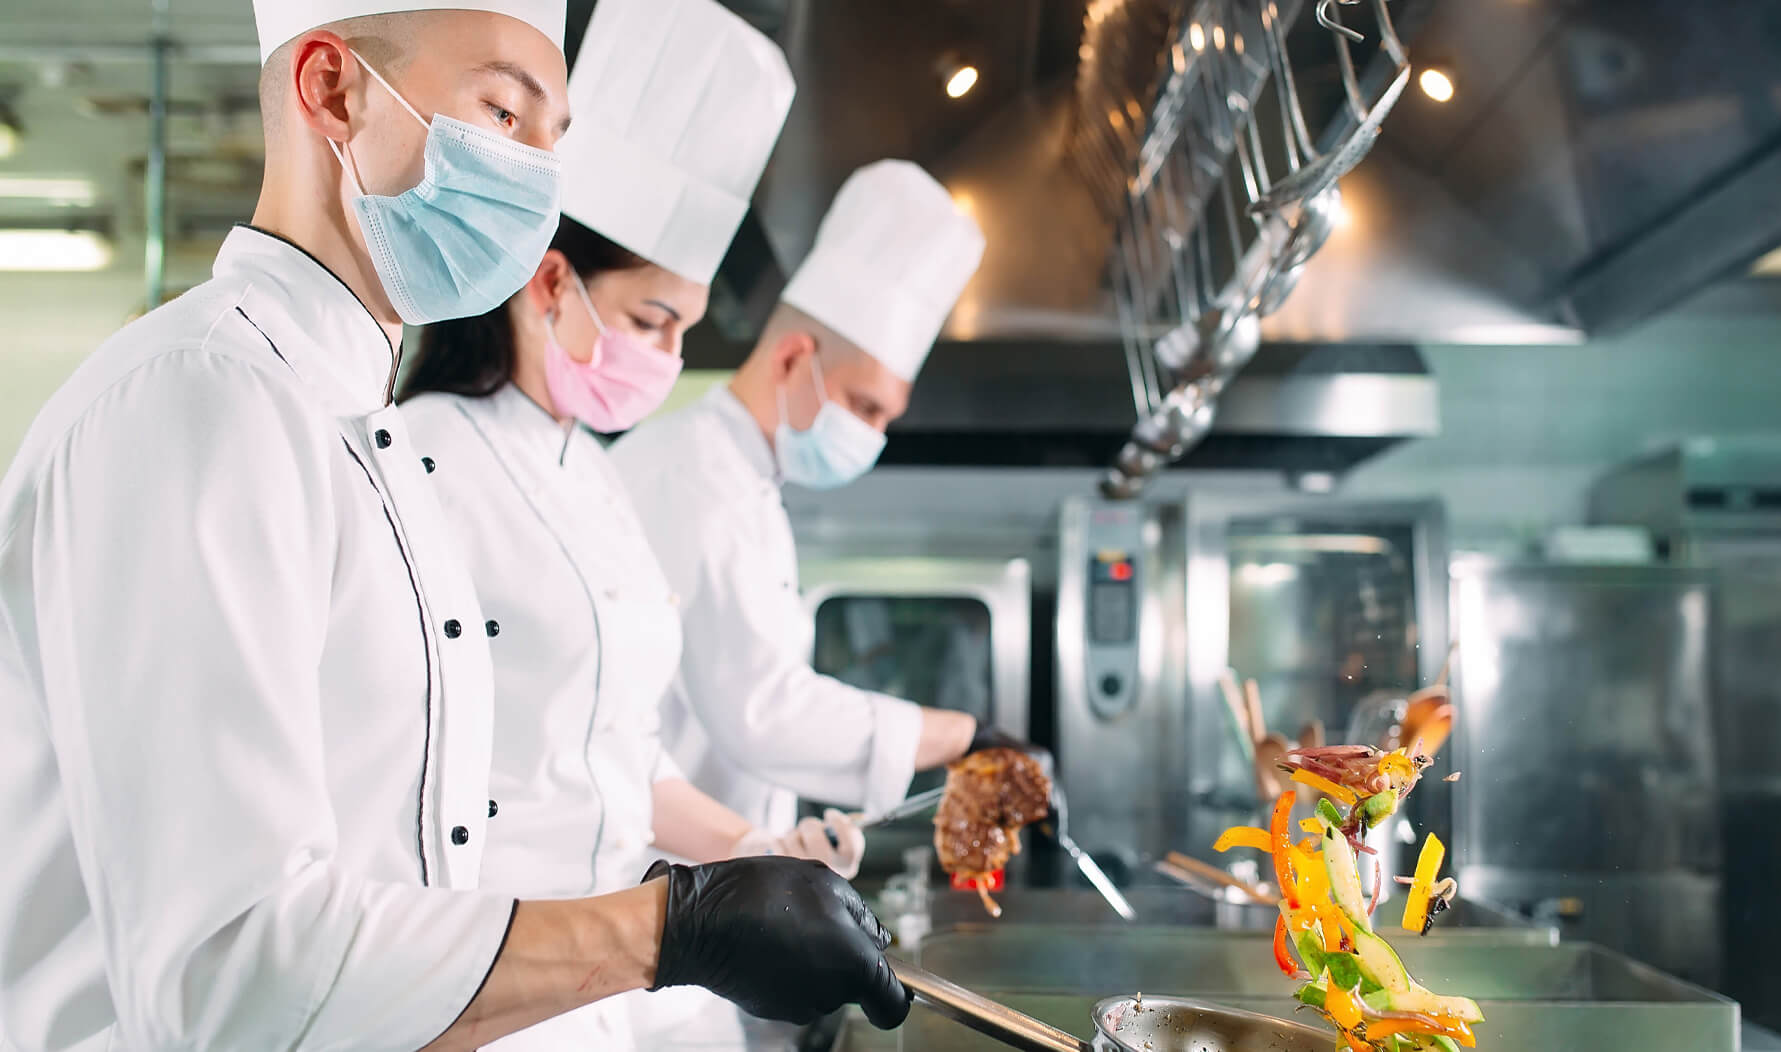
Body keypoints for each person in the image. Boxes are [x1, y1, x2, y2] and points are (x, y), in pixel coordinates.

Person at [0, 2, 907, 1049]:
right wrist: (673, 928)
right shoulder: (203, 397)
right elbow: (231, 973)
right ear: (332, 90)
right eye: (504, 116)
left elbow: (413, 868)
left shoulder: (360, 426)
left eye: (553, 141)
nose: (536, 185)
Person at [397, 2, 862, 1047]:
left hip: (630, 980)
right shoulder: (425, 456)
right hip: (495, 982)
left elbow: (625, 759)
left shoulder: (593, 475)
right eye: (652, 321)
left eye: (685, 331)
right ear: (552, 279)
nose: (665, 356)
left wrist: (759, 850)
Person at [610, 161, 1036, 840]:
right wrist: (962, 733)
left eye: (885, 418)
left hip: (713, 871)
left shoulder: (748, 484)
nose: (871, 435)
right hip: (655, 876)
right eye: (864, 405)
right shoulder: (691, 477)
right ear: (790, 360)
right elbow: (763, 712)